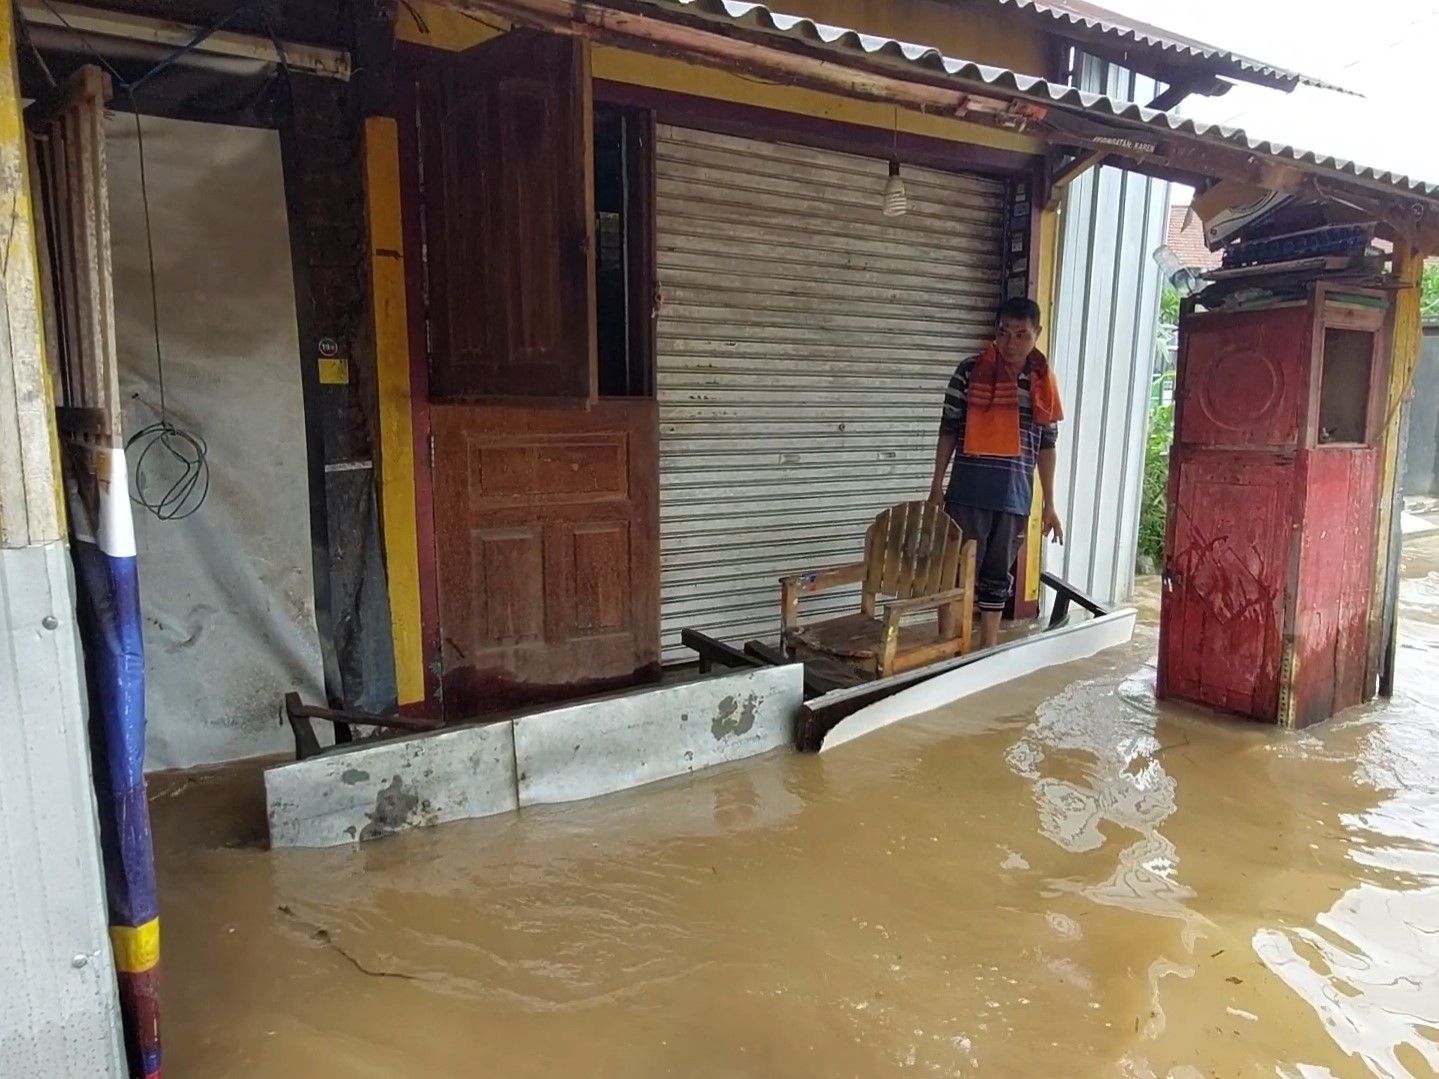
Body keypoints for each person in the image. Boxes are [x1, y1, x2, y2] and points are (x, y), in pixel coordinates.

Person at [928, 296, 1065, 650]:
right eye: (1004, 333)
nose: (1011, 343)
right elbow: (948, 429)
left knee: (995, 577)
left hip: (1014, 497)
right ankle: (947, 648)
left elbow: (1046, 446)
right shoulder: (969, 371)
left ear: (1038, 333)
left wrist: (1050, 504)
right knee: (955, 572)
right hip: (967, 492)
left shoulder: (1042, 383)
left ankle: (987, 649)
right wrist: (936, 485)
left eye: (1022, 335)